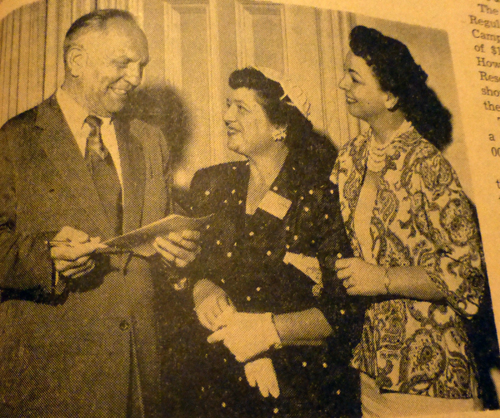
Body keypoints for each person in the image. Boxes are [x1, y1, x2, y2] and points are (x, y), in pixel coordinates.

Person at [0, 9, 199, 417]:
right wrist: (47, 257)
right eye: (122, 63)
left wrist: (182, 253)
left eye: (141, 66)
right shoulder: (14, 139)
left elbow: (164, 232)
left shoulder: (150, 140)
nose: (136, 78)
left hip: (142, 375)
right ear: (76, 61)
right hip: (55, 380)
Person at [163, 67, 365, 418]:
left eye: (241, 108)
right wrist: (201, 288)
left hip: (292, 383)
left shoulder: (319, 194)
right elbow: (179, 270)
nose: (226, 116)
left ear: (279, 127)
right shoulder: (210, 183)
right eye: (228, 105)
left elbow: (344, 311)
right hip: (209, 376)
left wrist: (267, 332)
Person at [330, 25, 486, 417]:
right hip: (369, 371)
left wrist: (381, 278)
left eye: (354, 78)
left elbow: (469, 276)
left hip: (433, 379)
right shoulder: (349, 158)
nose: (340, 83)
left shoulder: (428, 165)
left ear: (391, 96)